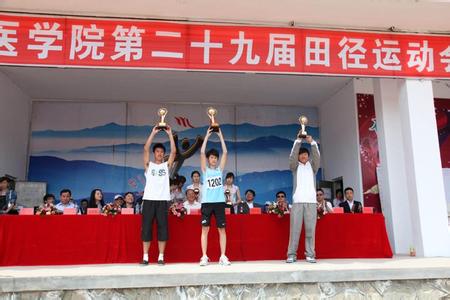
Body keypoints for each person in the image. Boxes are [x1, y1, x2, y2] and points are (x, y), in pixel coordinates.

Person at [141, 125, 176, 266]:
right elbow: (145, 149)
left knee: (162, 228)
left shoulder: (166, 166)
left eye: (162, 152)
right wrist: (153, 133)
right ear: (154, 153)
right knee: (147, 229)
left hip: (162, 201)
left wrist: (170, 134)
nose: (160, 153)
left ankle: (161, 256)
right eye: (157, 151)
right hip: (149, 200)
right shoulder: (149, 166)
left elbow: (174, 152)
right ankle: (145, 257)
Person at [199, 127, 231, 266]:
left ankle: (223, 256)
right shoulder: (205, 170)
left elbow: (225, 152)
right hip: (207, 203)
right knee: (205, 230)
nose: (214, 159)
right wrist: (207, 135)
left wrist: (220, 135)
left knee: (221, 229)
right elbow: (201, 152)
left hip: (219, 203)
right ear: (208, 159)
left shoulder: (219, 170)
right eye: (211, 157)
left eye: (215, 158)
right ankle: (204, 256)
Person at [286, 135, 320, 264]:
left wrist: (312, 143)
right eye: (301, 155)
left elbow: (317, 156)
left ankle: (310, 254)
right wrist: (298, 141)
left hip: (311, 202)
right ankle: (291, 254)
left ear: (308, 155)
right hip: (298, 202)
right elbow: (292, 156)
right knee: (295, 230)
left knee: (310, 230)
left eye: (305, 154)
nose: (303, 156)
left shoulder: (313, 167)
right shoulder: (295, 167)